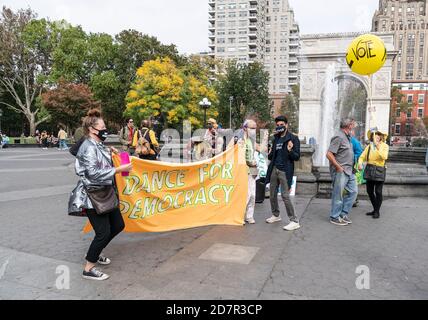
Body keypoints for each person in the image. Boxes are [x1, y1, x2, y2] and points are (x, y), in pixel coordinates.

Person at [68, 109, 132, 281]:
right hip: (92, 196)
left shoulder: (97, 144)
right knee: (103, 233)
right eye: (102, 127)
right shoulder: (88, 147)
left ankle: (95, 252)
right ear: (91, 129)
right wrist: (120, 169)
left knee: (118, 225)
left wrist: (111, 153)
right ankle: (89, 268)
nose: (105, 130)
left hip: (105, 192)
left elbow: (100, 162)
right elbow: (93, 173)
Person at [266, 115, 301, 231]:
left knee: (285, 196)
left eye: (282, 125)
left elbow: (296, 157)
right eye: (278, 125)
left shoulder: (293, 138)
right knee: (272, 194)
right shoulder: (276, 138)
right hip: (274, 169)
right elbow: (271, 156)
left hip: (285, 171)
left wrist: (290, 149)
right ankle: (276, 215)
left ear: (286, 125)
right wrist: (269, 150)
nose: (280, 126)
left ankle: (294, 220)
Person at [326, 119, 358, 226]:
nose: (354, 128)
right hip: (341, 171)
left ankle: (343, 214)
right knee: (338, 195)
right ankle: (334, 216)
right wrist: (338, 167)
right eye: (353, 125)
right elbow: (329, 154)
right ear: (349, 126)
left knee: (353, 192)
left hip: (350, 171)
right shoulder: (339, 137)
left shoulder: (348, 137)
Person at [358, 129, 389, 219]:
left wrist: (378, 147)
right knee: (369, 191)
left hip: (379, 170)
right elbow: (362, 156)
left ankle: (376, 211)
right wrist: (360, 163)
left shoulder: (385, 146)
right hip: (370, 169)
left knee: (378, 192)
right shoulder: (369, 146)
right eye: (375, 135)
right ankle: (375, 209)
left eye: (378, 135)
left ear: (381, 137)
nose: (377, 137)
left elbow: (384, 156)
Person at [242, 120, 258, 225]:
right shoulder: (241, 140)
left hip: (253, 170)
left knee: (253, 195)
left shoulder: (252, 141)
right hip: (244, 170)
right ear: (245, 128)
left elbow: (262, 150)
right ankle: (240, 216)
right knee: (246, 195)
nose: (253, 130)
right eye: (251, 128)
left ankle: (249, 216)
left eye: (255, 128)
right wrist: (250, 163)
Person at [350, 123, 363, 208]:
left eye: (351, 130)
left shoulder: (354, 141)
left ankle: (354, 199)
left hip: (354, 166)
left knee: (353, 183)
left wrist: (351, 156)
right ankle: (353, 199)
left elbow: (359, 153)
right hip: (349, 165)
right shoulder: (346, 139)